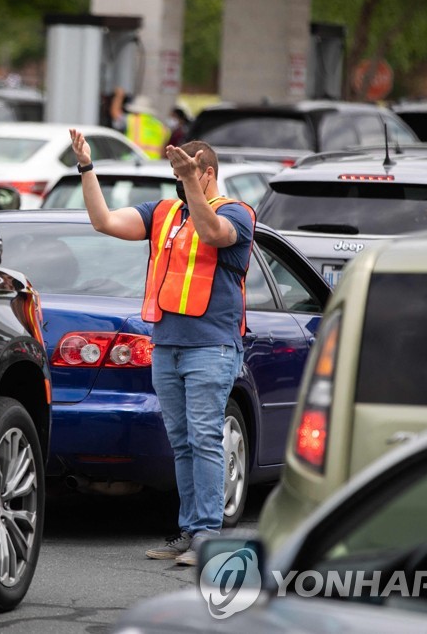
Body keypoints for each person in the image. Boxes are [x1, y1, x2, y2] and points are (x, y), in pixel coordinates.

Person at [69, 128, 256, 567]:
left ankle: (208, 535)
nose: (177, 179)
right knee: (183, 441)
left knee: (205, 437)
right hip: (167, 345)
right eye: (174, 172)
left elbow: (212, 233)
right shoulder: (164, 213)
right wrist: (86, 167)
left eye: (186, 172)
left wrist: (191, 183)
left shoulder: (237, 213)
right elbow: (105, 222)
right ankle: (190, 530)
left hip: (211, 347)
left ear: (207, 173)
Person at [110, 86, 170, 159]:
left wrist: (119, 96)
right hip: (153, 164)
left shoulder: (132, 120)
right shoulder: (160, 126)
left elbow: (115, 113)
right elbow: (163, 151)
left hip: (132, 163)